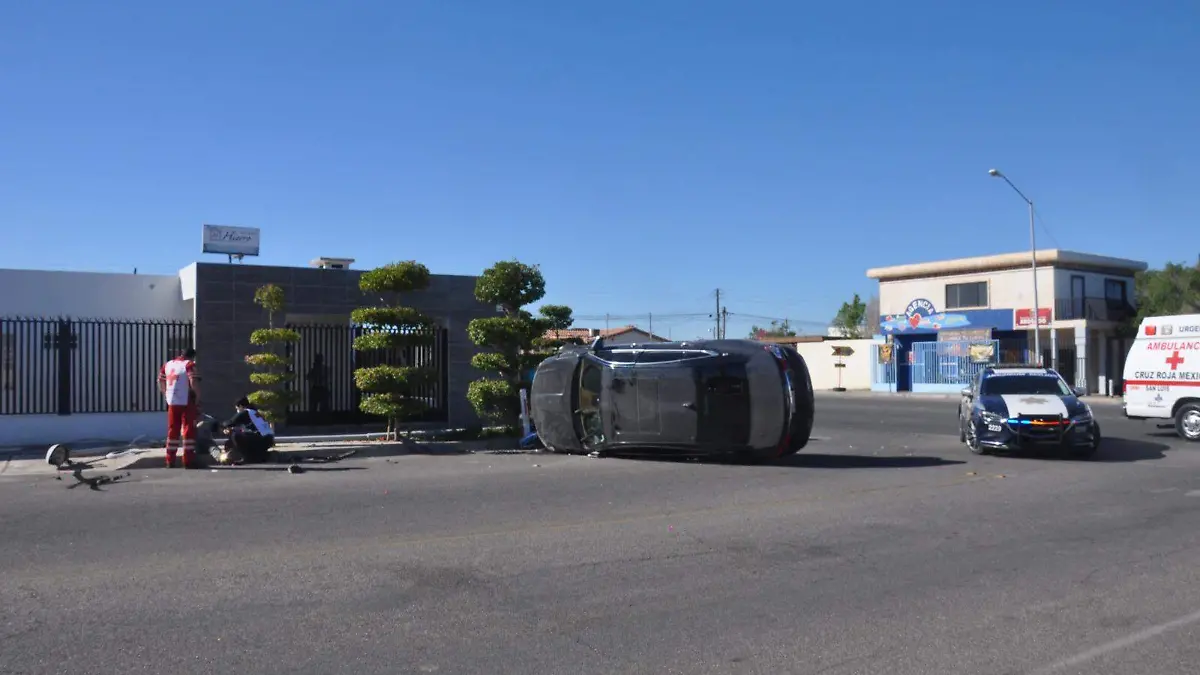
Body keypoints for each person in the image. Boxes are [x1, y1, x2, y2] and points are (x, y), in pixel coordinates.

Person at [157, 348, 201, 468]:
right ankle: (188, 460)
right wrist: (197, 397)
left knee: (172, 430)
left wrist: (166, 394)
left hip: (172, 401)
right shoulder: (189, 365)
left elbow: (160, 381)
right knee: (188, 429)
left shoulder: (168, 364)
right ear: (192, 356)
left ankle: (170, 460)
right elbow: (193, 381)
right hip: (186, 400)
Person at [218, 397, 276, 464]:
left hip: (261, 439)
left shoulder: (246, 412)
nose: (237, 411)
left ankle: (248, 458)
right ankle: (259, 456)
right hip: (268, 440)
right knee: (238, 433)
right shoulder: (254, 412)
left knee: (235, 435)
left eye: (237, 409)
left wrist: (223, 425)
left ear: (240, 406)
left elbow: (230, 422)